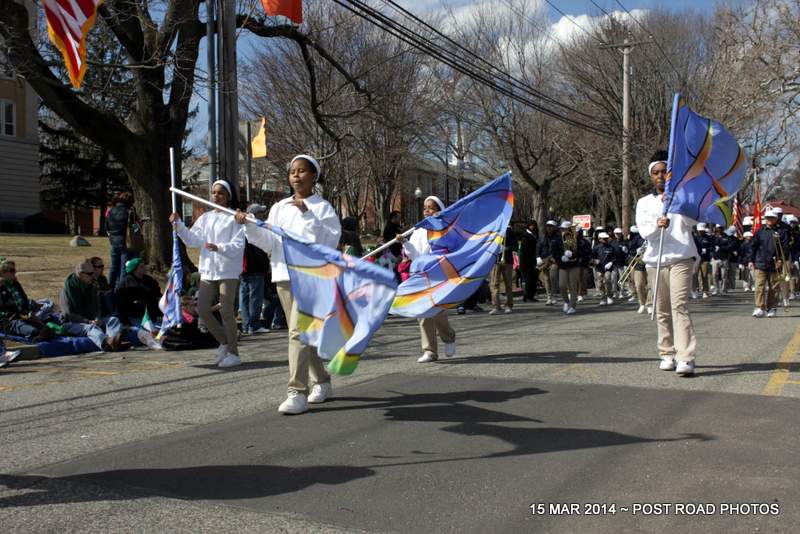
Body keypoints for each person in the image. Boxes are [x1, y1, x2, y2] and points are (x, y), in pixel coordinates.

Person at [235, 154, 341, 415]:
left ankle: (296, 391)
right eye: (293, 171)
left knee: (296, 331)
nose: (296, 175)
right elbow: (270, 242)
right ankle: (323, 382)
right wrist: (248, 226)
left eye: (302, 171)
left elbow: (327, 243)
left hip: (311, 276)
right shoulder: (280, 207)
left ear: (314, 176)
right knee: (302, 333)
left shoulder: (322, 207)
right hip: (283, 275)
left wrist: (306, 215)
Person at [636, 151, 698, 377]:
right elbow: (645, 232)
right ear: (651, 176)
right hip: (656, 260)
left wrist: (678, 204)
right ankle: (667, 353)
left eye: (664, 171)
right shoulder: (644, 202)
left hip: (681, 257)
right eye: (656, 173)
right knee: (661, 310)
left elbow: (693, 221)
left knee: (679, 306)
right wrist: (657, 224)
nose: (660, 176)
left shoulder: (683, 196)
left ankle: (686, 357)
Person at [171, 180, 245, 368]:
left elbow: (238, 246)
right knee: (203, 310)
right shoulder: (205, 217)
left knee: (227, 311)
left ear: (228, 195)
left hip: (227, 270)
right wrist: (179, 225)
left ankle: (234, 354)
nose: (216, 196)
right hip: (208, 270)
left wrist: (219, 248)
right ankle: (225, 342)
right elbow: (192, 240)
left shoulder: (235, 217)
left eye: (220, 193)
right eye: (213, 192)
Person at [397, 195, 457, 364]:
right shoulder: (418, 230)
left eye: (431, 208)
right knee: (422, 313)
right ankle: (429, 350)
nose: (427, 211)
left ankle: (449, 337)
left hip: (438, 276)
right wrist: (405, 243)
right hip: (421, 275)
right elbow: (415, 254)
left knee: (438, 311)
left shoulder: (444, 230)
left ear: (439, 211)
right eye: (425, 208)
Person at [59, 261, 125, 351]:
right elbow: (68, 314)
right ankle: (106, 343)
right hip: (71, 323)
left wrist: (97, 317)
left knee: (113, 320)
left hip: (91, 320)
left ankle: (115, 342)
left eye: (93, 273)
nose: (93, 276)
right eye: (90, 274)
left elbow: (98, 306)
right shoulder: (67, 290)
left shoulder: (91, 287)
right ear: (80, 274)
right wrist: (88, 321)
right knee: (91, 328)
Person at [749, 209, 789, 318]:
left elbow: (785, 248)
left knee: (774, 288)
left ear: (776, 219)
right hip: (760, 263)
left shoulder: (782, 232)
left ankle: (771, 308)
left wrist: (780, 260)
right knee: (759, 286)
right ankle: (759, 307)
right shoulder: (759, 231)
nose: (769, 220)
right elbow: (753, 246)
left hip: (775, 264)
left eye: (772, 218)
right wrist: (750, 260)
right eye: (767, 218)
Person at [0, 259, 53, 341]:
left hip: (21, 314)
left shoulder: (15, 284)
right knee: (22, 326)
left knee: (38, 323)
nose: (15, 273)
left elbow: (24, 299)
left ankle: (43, 331)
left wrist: (26, 312)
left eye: (14, 270)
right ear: (2, 273)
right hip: (8, 319)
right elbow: (4, 308)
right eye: (12, 270)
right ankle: (36, 333)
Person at [240, 204, 270, 335]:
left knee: (245, 297)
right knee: (255, 298)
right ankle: (254, 325)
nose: (263, 215)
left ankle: (247, 325)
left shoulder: (242, 227)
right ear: (255, 214)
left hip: (244, 268)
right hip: (255, 268)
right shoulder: (254, 228)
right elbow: (259, 249)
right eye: (261, 213)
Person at [106, 192, 144, 289]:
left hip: (113, 242)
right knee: (124, 268)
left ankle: (110, 287)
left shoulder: (110, 211)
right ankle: (121, 289)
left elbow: (106, 227)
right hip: (126, 242)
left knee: (114, 267)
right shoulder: (129, 212)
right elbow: (133, 228)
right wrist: (140, 224)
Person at [116, 258, 162, 325]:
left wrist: (159, 298)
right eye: (141, 267)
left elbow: (157, 292)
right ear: (134, 269)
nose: (145, 268)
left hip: (153, 312)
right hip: (136, 316)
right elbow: (122, 306)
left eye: (144, 266)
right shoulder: (126, 284)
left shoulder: (148, 280)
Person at [489, 224, 517, 314]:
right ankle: (496, 306)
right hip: (495, 260)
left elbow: (515, 246)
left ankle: (509, 305)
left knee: (508, 284)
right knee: (494, 284)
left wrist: (506, 248)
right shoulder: (493, 231)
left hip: (507, 260)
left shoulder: (510, 231)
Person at [592, 232, 619, 306]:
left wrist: (611, 263)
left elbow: (615, 258)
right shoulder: (596, 248)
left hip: (608, 268)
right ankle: (603, 297)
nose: (605, 240)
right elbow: (592, 257)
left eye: (606, 238)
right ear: (599, 239)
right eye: (604, 239)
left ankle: (609, 296)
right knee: (600, 283)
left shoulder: (611, 247)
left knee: (607, 280)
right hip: (599, 268)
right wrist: (594, 261)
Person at [537, 220, 560, 305]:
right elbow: (538, 247)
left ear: (554, 228)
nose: (549, 228)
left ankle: (554, 296)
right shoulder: (542, 237)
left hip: (554, 261)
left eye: (551, 226)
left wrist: (556, 257)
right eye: (547, 226)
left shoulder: (558, 237)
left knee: (553, 277)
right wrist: (538, 257)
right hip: (544, 260)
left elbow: (560, 250)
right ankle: (549, 297)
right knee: (546, 279)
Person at [627, 226, 649, 314]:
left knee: (650, 285)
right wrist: (636, 251)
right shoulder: (637, 238)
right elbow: (630, 250)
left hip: (651, 264)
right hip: (639, 264)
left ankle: (649, 303)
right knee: (639, 285)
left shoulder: (654, 237)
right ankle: (642, 303)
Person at [519, 219, 539, 302]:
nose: (532, 226)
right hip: (526, 262)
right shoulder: (526, 236)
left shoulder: (534, 235)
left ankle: (531, 296)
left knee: (534, 279)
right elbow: (523, 251)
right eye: (531, 225)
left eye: (533, 225)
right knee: (528, 280)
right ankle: (527, 296)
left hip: (533, 260)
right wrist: (523, 263)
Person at [693, 223, 713, 299]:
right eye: (700, 230)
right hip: (696, 258)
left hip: (705, 259)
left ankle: (705, 291)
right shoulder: (695, 238)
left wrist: (707, 250)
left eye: (702, 230)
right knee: (695, 275)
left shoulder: (708, 238)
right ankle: (696, 290)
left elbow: (712, 247)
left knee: (704, 275)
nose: (701, 232)